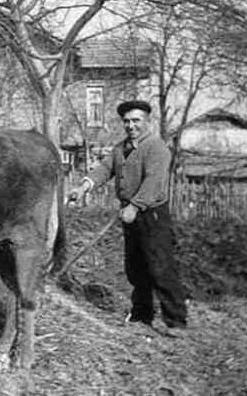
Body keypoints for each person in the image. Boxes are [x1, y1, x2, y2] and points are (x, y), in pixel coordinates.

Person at [68, 100, 188, 335]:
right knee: (136, 268)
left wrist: (135, 205)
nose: (131, 126)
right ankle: (141, 315)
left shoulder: (157, 148)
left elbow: (154, 181)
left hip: (152, 215)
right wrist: (83, 187)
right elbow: (104, 169)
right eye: (127, 121)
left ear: (147, 122)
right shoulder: (120, 149)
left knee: (160, 268)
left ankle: (176, 321)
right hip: (130, 216)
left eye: (136, 121)